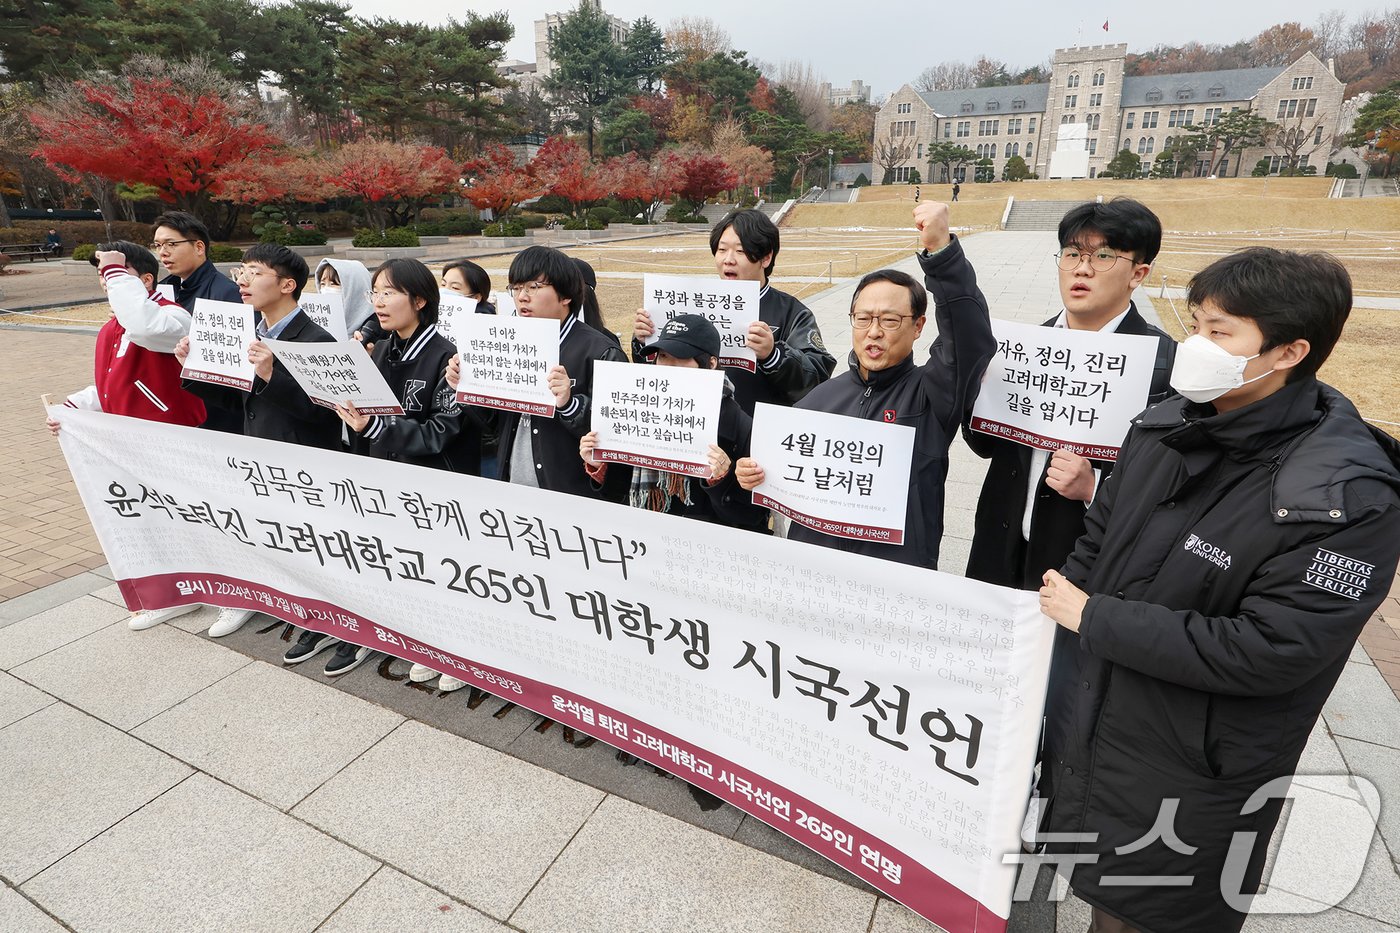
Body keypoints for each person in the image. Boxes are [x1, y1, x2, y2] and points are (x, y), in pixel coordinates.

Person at [1036, 247, 1400, 933]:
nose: (1196, 346)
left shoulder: (1344, 497)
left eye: (1221, 332)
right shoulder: (1164, 424)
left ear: (1290, 350)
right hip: (1105, 725)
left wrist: (1095, 618)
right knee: (1106, 898)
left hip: (1194, 766)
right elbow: (1100, 538)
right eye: (1197, 323)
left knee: (1152, 911)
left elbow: (1275, 649)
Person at [735, 202, 995, 569]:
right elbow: (778, 474)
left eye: (890, 320)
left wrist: (942, 254)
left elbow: (969, 341)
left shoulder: (932, 395)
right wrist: (754, 474)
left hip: (896, 577)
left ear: (918, 326)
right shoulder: (818, 399)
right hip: (813, 576)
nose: (874, 332)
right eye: (864, 318)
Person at [965, 199, 1177, 591]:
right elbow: (984, 444)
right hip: (999, 552)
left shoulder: (1164, 364)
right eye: (1073, 254)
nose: (1082, 268)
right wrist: (976, 392)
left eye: (1104, 256)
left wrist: (1094, 487)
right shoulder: (1026, 346)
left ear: (1139, 273)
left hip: (1082, 568)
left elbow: (1170, 490)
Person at [175, 243, 341, 640]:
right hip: (261, 458)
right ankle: (293, 605)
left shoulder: (317, 341)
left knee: (312, 546)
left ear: (287, 285)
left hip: (304, 468)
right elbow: (239, 400)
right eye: (242, 271)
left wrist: (272, 376)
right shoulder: (250, 333)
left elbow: (325, 415)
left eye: (255, 272)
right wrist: (194, 369)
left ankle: (326, 621)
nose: (244, 280)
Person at [334, 258, 488, 683]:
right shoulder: (381, 349)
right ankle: (420, 638)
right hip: (389, 479)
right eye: (375, 293)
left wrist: (377, 426)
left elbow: (442, 431)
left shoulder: (449, 357)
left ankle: (456, 653)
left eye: (389, 293)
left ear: (419, 300)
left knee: (446, 570)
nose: (378, 302)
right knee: (407, 565)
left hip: (438, 485)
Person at [47, 240, 207, 631]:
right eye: (103, 277)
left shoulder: (173, 318)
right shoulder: (113, 327)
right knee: (154, 522)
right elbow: (115, 384)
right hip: (135, 445)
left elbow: (145, 326)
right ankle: (174, 595)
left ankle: (225, 594)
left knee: (192, 521)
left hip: (174, 440)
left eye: (115, 276)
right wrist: (76, 408)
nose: (107, 283)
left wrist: (118, 273)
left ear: (145, 281)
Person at [449, 245, 628, 500]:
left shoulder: (600, 352)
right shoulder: (508, 341)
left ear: (565, 296)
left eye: (534, 287)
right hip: (513, 489)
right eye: (516, 287)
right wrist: (465, 387)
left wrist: (570, 404)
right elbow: (492, 423)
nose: (522, 296)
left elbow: (618, 435)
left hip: (571, 498)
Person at [632, 209, 835, 416]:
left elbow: (817, 382)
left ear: (766, 258)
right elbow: (657, 375)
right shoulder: (691, 304)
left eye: (740, 251)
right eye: (721, 250)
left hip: (757, 435)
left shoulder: (793, 313)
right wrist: (644, 341)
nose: (728, 260)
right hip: (694, 426)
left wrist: (773, 355)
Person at [579, 313, 768, 534]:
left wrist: (722, 480)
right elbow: (618, 494)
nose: (667, 366)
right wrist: (599, 464)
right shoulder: (638, 411)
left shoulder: (738, 425)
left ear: (711, 363)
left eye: (680, 357)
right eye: (663, 356)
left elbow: (752, 516)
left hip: (704, 547)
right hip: (643, 538)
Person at [152, 211, 245, 433]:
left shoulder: (227, 293)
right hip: (175, 406)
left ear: (199, 247)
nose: (163, 252)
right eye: (157, 245)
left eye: (171, 244)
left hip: (216, 417)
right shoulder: (163, 291)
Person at [313, 258, 374, 336]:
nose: (326, 289)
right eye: (322, 284)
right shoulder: (320, 325)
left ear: (355, 288)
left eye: (333, 284)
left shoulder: (374, 329)